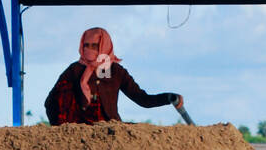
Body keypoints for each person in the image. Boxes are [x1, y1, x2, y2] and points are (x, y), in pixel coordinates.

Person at [45, 28, 183, 125]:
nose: (89, 50)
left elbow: (142, 99)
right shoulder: (75, 70)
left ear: (104, 45)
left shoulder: (116, 71)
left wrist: (168, 98)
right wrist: (64, 129)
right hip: (81, 132)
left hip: (110, 130)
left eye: (95, 46)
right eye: (86, 45)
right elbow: (51, 101)